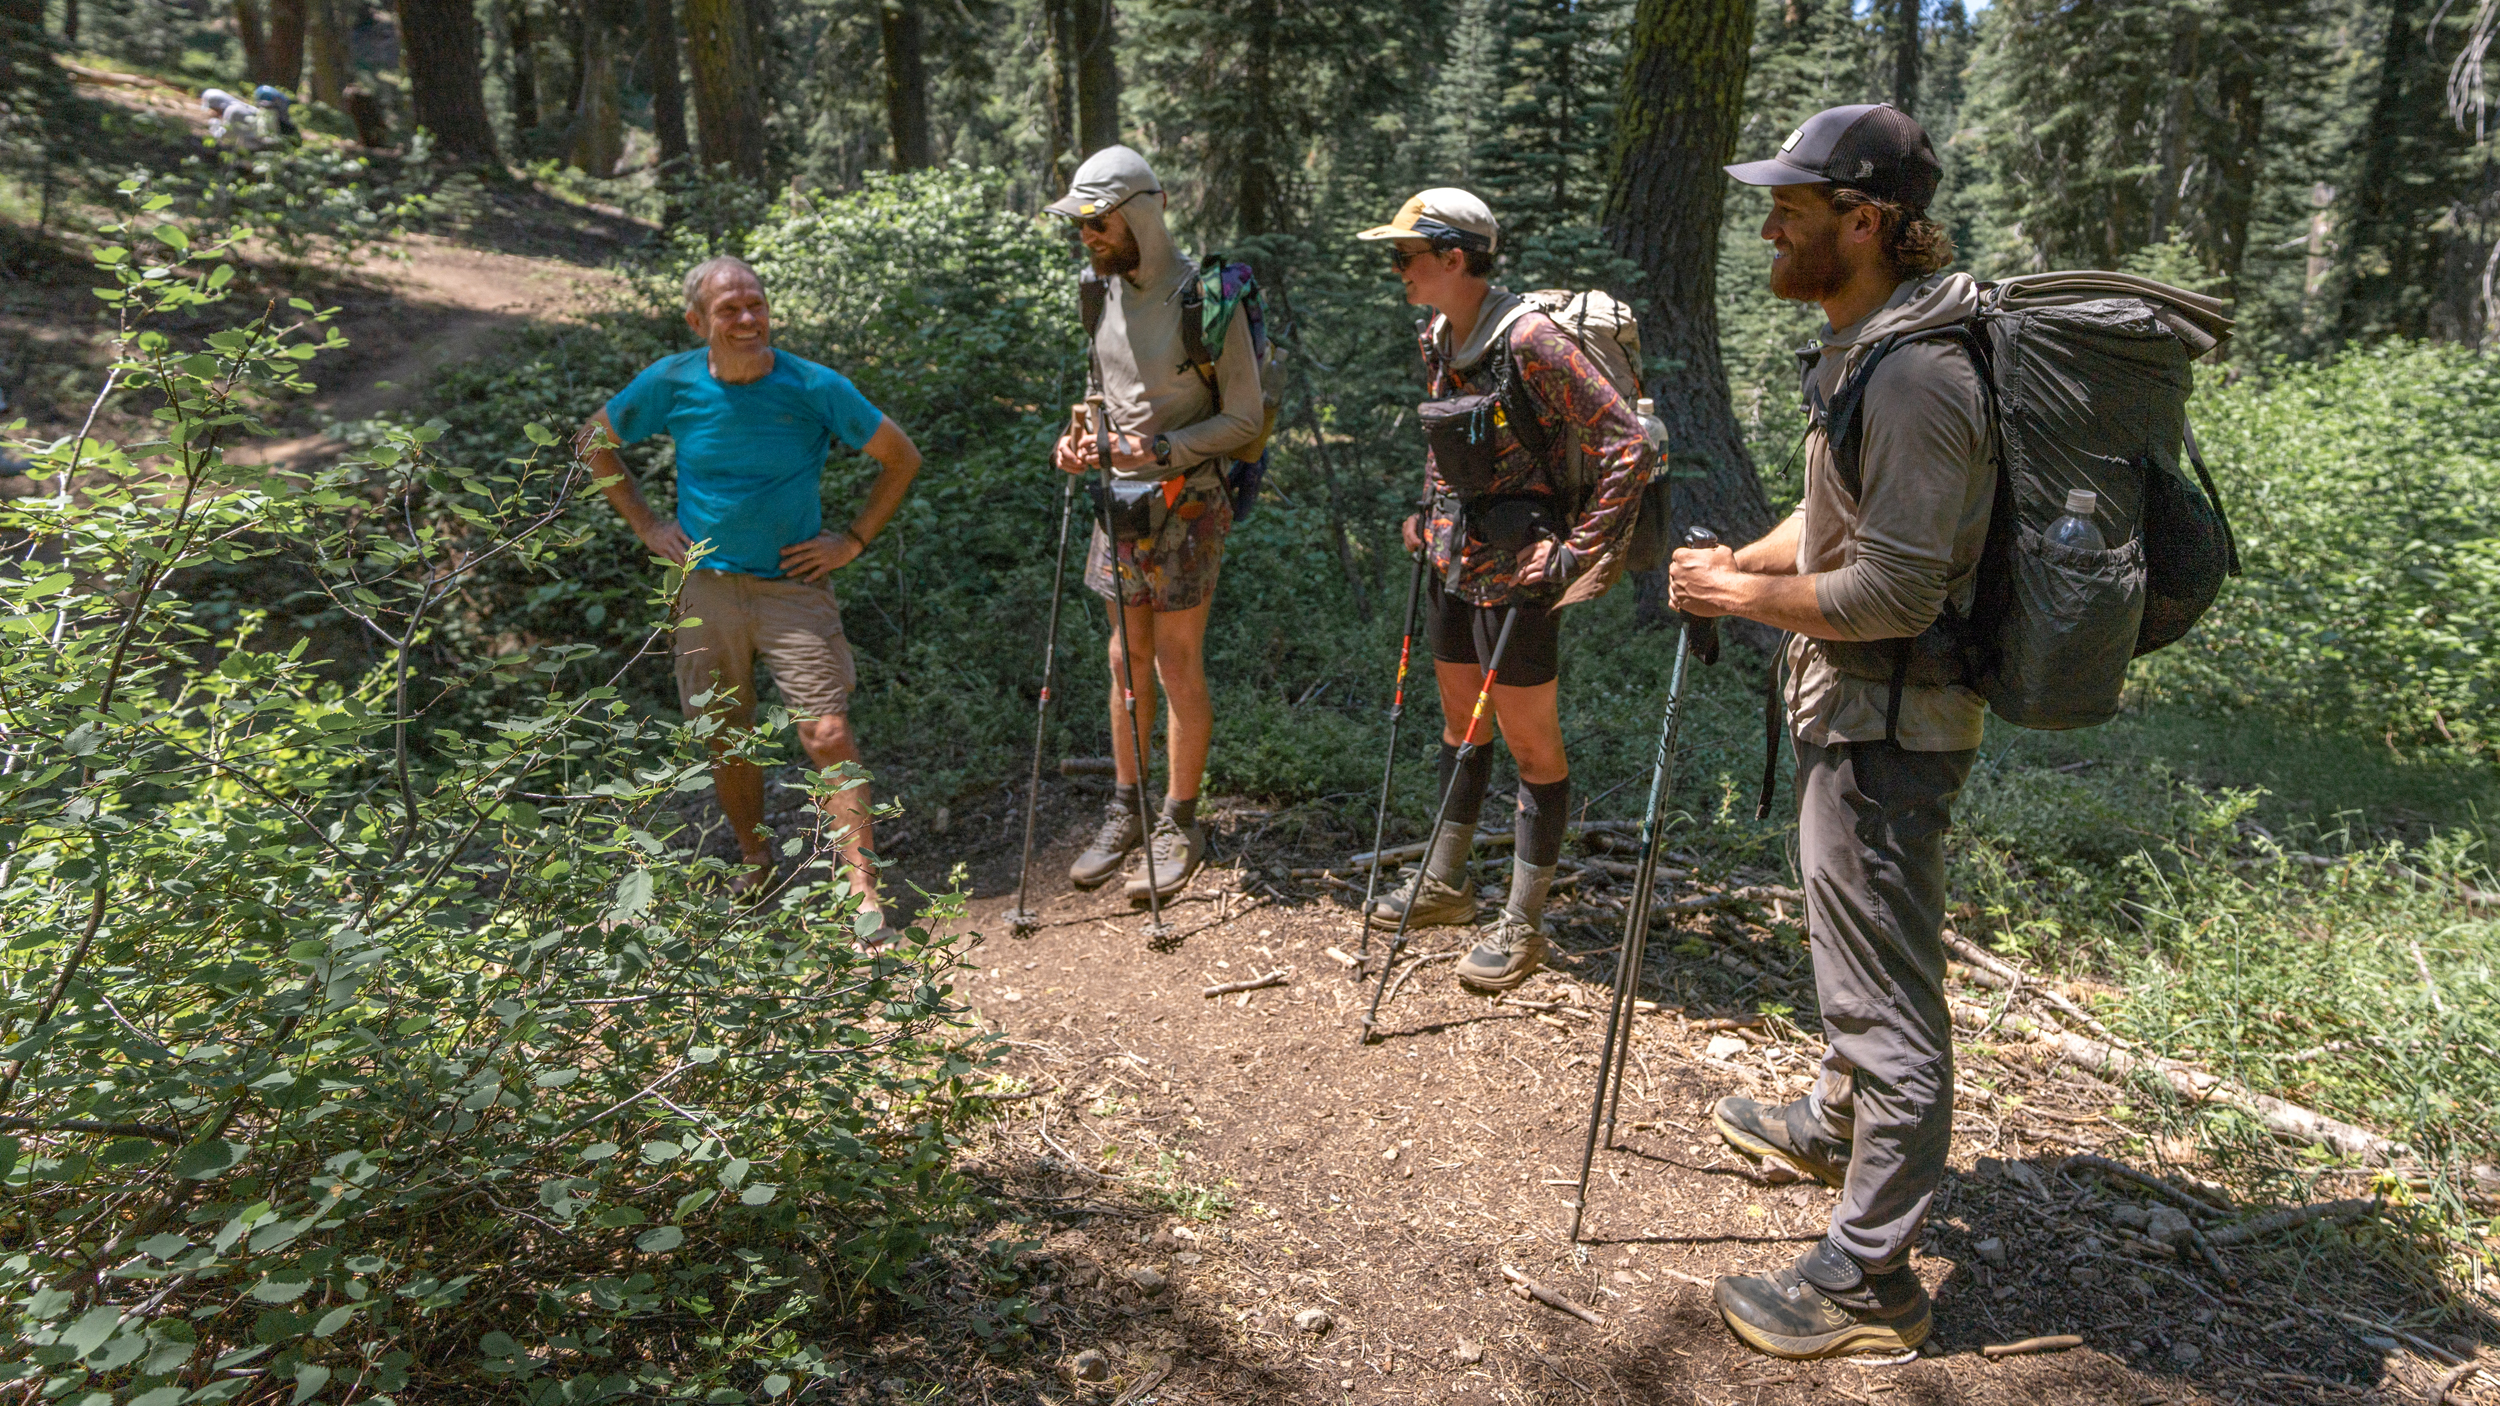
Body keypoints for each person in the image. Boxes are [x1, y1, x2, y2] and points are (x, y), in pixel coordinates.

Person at [1668, 102, 1991, 1360]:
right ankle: (1837, 1124)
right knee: (1851, 955)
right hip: (1853, 705)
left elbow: (1897, 591)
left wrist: (1737, 599)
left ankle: (1869, 1278)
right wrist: (1741, 559)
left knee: (1883, 997)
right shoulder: (1868, 346)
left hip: (1890, 723)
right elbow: (1840, 524)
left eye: (1789, 210)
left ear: (1864, 222)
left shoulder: (1916, 374)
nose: (1768, 227)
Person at [576, 256, 923, 934]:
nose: (746, 319)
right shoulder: (672, 383)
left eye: (755, 305)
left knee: (827, 732)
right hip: (706, 587)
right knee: (727, 738)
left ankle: (861, 891)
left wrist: (851, 540)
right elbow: (593, 441)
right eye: (729, 309)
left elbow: (901, 455)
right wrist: (647, 524)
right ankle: (755, 860)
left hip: (793, 587)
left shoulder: (812, 385)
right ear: (697, 320)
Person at [1354, 189, 1646, 992]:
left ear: (1455, 258)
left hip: (1521, 569)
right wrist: (1426, 513)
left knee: (1530, 746)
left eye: (1405, 255)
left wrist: (1574, 557)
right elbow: (1444, 431)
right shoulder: (1440, 333)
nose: (1396, 269)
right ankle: (1446, 886)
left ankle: (1523, 920)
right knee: (1459, 725)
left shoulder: (1533, 341)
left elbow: (1628, 445)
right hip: (1455, 558)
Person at [1043, 147, 1264, 904]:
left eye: (1097, 224)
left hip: (1189, 505)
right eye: (1080, 227)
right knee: (1122, 659)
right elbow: (1104, 391)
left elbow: (1245, 418)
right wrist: (1080, 442)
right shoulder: (1095, 290)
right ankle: (1126, 809)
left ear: (1137, 213)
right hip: (1117, 504)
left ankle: (1179, 820)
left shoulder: (1207, 296)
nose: (1087, 239)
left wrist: (1166, 448)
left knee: (1175, 662)